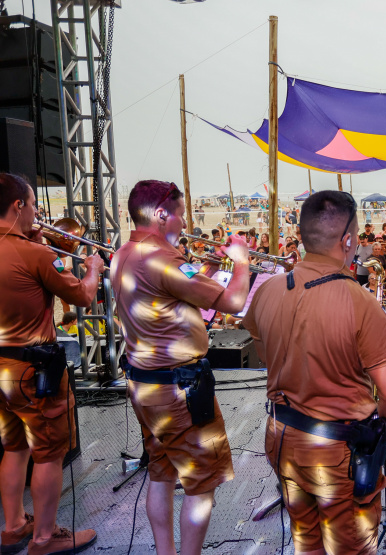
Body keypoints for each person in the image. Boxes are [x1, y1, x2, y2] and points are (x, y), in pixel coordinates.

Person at [243, 190, 386, 554]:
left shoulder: (267, 290)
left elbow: (268, 356)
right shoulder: (358, 299)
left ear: (302, 235)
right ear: (347, 241)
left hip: (282, 438)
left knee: (306, 539)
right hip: (336, 455)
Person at [111, 180, 250, 555]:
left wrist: (201, 269)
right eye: (180, 213)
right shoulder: (161, 258)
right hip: (179, 391)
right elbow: (235, 301)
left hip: (145, 386)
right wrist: (242, 260)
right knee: (201, 484)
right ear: (161, 214)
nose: (184, 221)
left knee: (161, 473)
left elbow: (169, 301)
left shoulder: (123, 253)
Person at [0, 174, 104, 555]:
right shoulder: (35, 254)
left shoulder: (28, 250)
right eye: (32, 206)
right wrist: (91, 267)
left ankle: (12, 527)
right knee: (47, 452)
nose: (36, 213)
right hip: (32, 371)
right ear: (17, 207)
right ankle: (44, 538)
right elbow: (83, 297)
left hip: (0, 372)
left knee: (13, 447)